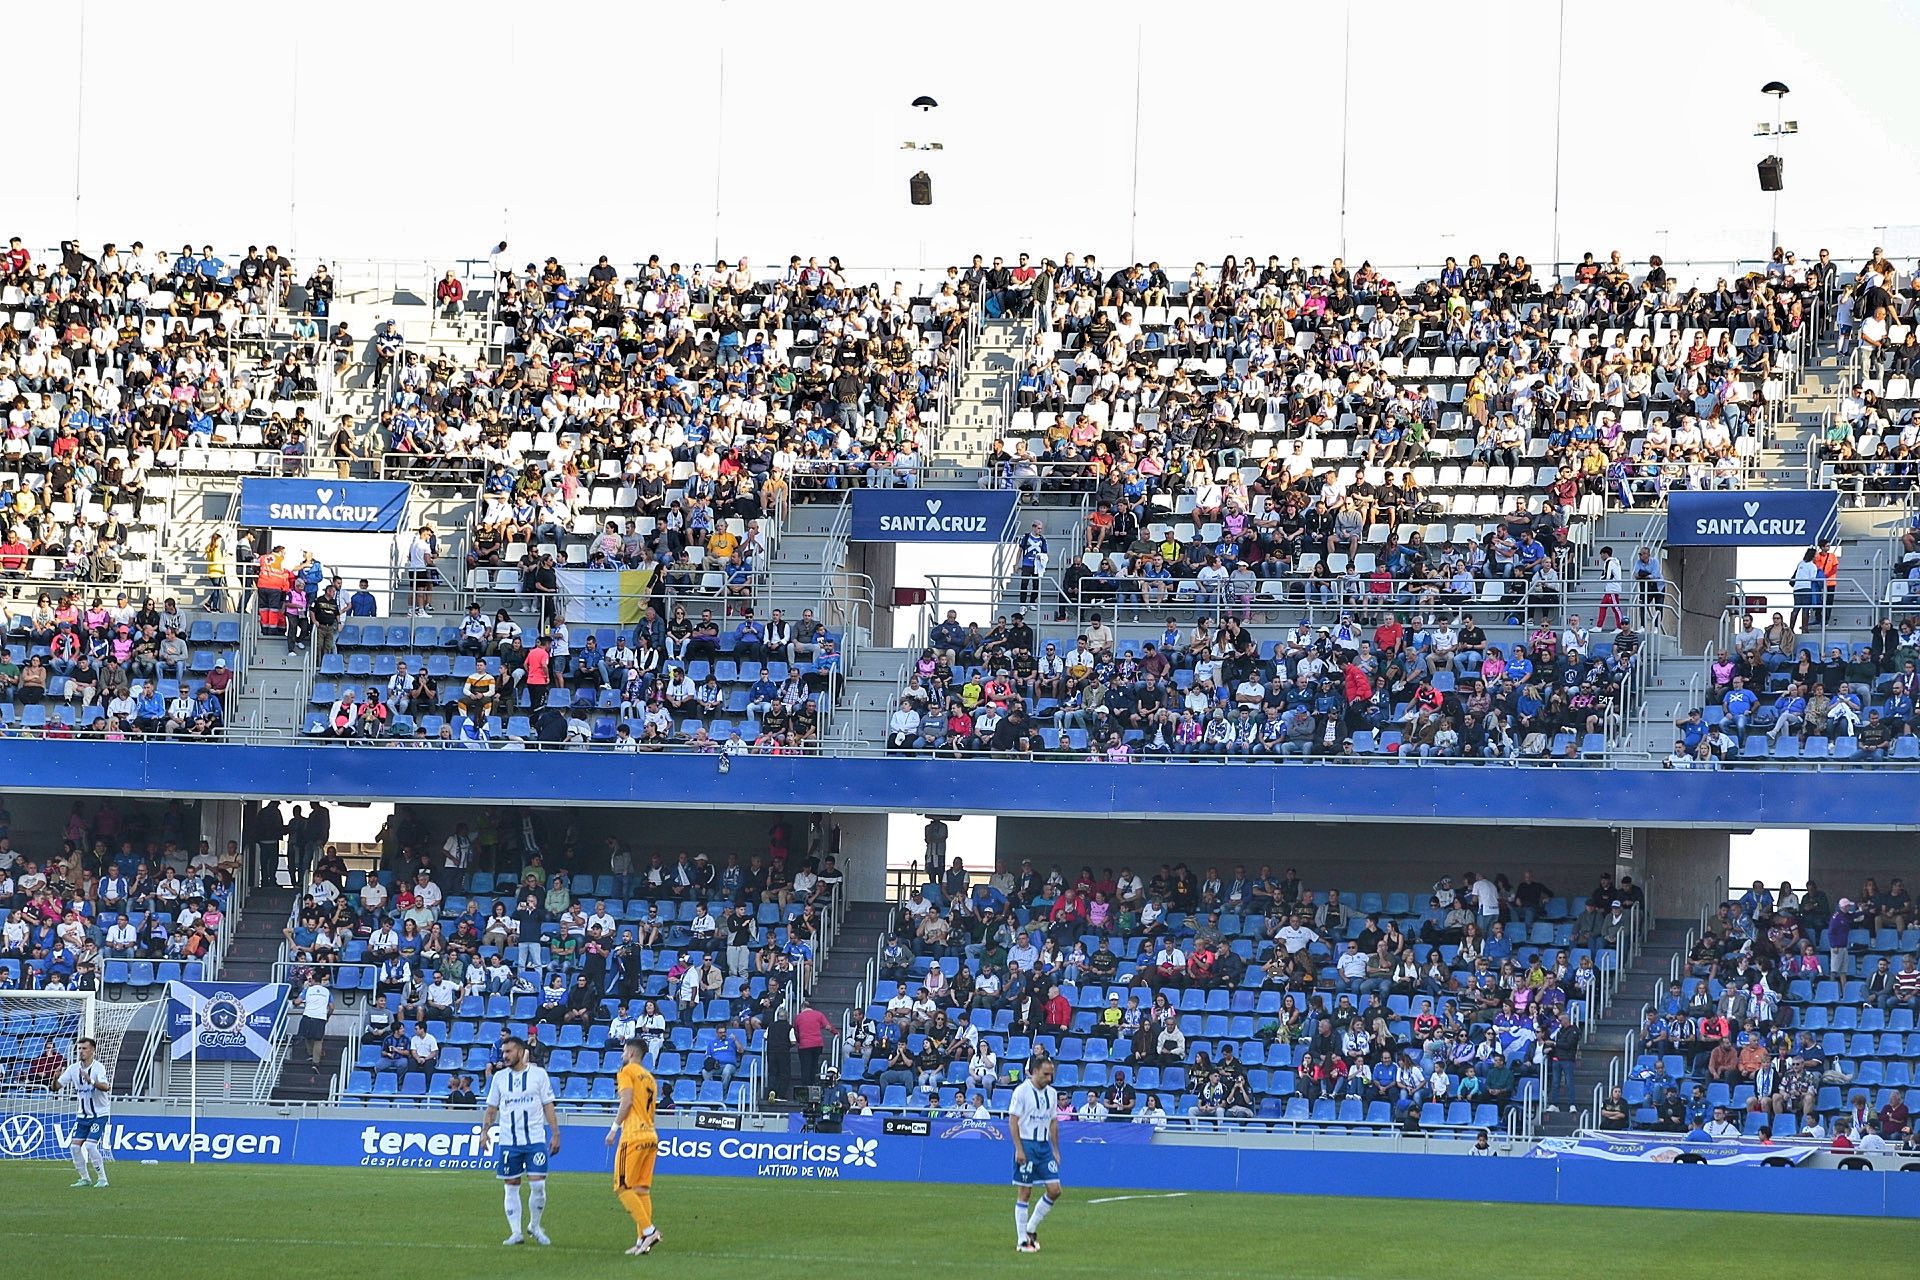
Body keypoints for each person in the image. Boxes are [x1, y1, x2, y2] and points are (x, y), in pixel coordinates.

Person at [480, 1035, 559, 1247]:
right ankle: (516, 1232)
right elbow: (491, 1109)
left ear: (521, 1052)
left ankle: (534, 1225)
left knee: (538, 1185)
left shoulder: (539, 1075)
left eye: (509, 1051)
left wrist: (556, 1133)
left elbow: (548, 1105)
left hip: (535, 1139)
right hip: (508, 1141)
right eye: (503, 1052)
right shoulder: (499, 1078)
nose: (504, 1056)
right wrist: (484, 1131)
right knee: (511, 1185)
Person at [609, 1036, 664, 1257]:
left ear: (631, 1053)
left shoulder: (626, 1072)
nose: (622, 1054)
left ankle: (649, 1231)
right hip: (651, 1135)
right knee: (641, 1189)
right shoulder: (650, 1078)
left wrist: (614, 1128)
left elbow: (627, 1100)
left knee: (622, 1187)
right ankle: (642, 1240)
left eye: (624, 1050)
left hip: (632, 1135)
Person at [1009, 1054, 1064, 1254]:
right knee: (1025, 1191)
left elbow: (1053, 1122)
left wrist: (1055, 1149)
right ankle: (1022, 1240)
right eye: (1046, 1074)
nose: (1049, 1078)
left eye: (1051, 1075)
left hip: (1043, 1147)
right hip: (1027, 1144)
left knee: (1055, 1190)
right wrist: (1018, 1148)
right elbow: (1013, 1121)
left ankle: (1030, 1228)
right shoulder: (1022, 1091)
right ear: (1035, 1071)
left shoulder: (1052, 1093)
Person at [57, 1035, 112, 1188]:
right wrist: (54, 1079)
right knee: (74, 1147)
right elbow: (56, 1087)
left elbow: (106, 1087)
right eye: (79, 1048)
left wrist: (91, 1081)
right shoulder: (73, 1069)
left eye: (84, 1048)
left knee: (90, 1146)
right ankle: (85, 1179)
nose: (81, 1051)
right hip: (82, 1115)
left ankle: (102, 1179)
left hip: (99, 1114)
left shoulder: (98, 1067)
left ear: (92, 1050)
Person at [298, 971, 332, 1069]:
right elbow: (332, 1007)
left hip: (308, 1016)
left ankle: (310, 1054)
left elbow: (298, 1001)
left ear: (312, 980)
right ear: (321, 981)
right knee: (318, 1040)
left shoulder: (307, 990)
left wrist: (293, 1002)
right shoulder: (327, 991)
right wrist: (327, 1016)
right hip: (321, 1017)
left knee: (307, 1036)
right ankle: (315, 1063)